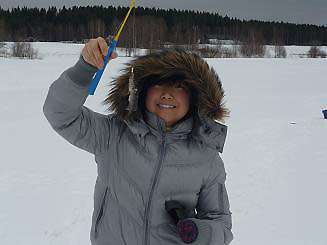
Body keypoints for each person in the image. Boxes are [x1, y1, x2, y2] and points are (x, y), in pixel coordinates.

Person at [43, 37, 233, 245]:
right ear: (143, 90)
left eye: (179, 87)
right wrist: (85, 68)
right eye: (159, 84)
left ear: (195, 96)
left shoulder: (207, 157)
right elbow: (60, 114)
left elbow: (220, 224)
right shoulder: (114, 134)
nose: (167, 94)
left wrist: (200, 232)